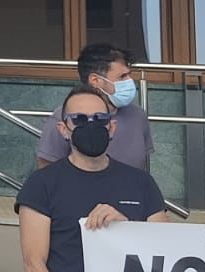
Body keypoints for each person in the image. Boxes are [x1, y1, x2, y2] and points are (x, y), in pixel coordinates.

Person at [16, 85, 167, 272]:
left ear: (111, 128)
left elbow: (163, 250)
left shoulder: (142, 183)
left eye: (99, 119)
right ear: (63, 129)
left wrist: (125, 228)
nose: (90, 125)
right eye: (79, 119)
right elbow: (34, 264)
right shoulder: (41, 184)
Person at [36, 43, 152, 171]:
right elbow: (47, 169)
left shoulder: (137, 115)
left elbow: (143, 165)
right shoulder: (66, 117)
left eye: (129, 75)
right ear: (95, 80)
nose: (129, 81)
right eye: (122, 77)